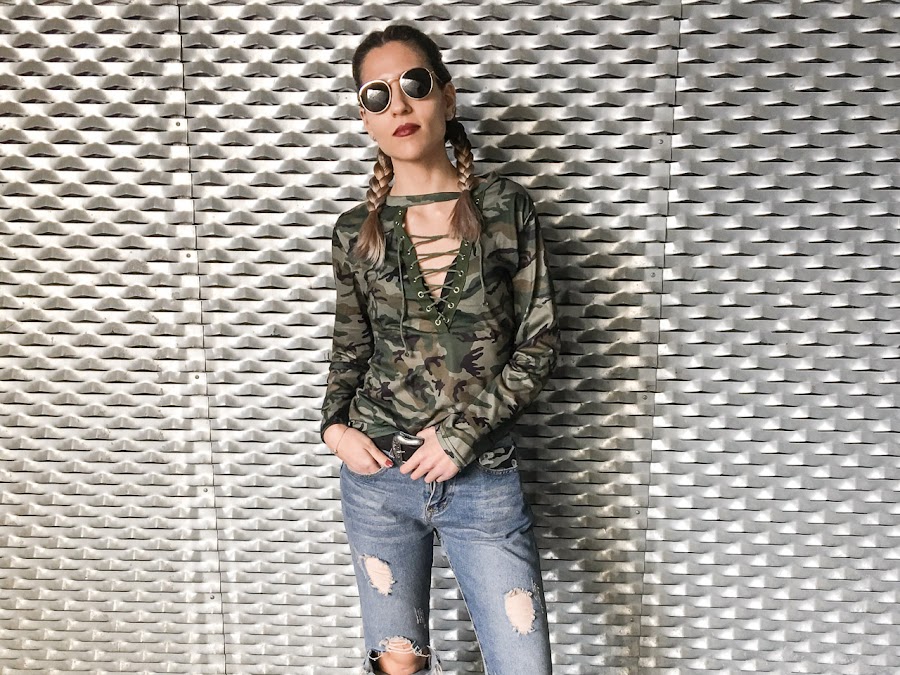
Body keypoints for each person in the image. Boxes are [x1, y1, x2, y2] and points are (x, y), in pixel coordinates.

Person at [320, 23, 559, 675]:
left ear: (447, 97)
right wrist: (333, 428)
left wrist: (461, 437)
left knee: (522, 665)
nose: (398, 104)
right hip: (377, 481)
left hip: (482, 478)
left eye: (414, 84)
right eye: (376, 95)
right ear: (364, 117)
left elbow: (539, 344)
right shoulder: (355, 232)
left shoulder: (505, 208)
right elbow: (350, 346)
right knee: (397, 665)